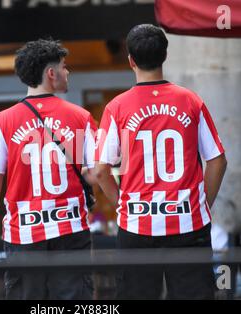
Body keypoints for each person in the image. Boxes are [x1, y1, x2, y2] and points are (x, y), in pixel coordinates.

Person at [95, 24, 227, 299]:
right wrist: (203, 203)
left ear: (130, 60)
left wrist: (122, 206)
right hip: (188, 222)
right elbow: (217, 161)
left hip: (137, 224)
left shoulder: (116, 107)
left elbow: (100, 172)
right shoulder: (191, 101)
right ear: (165, 55)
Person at [0, 39, 97, 300]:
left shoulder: (4, 121)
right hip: (70, 229)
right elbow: (94, 172)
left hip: (24, 233)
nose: (68, 72)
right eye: (65, 67)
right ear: (51, 74)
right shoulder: (79, 117)